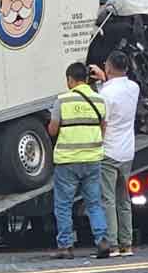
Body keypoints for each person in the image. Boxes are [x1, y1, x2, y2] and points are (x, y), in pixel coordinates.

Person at [47, 62, 110, 259]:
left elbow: (53, 130)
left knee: (63, 205)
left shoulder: (62, 101)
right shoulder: (99, 100)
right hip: (92, 159)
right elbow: (103, 129)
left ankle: (65, 246)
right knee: (94, 203)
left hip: (67, 161)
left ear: (70, 80)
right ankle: (102, 241)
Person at [90, 51, 140, 257]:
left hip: (109, 151)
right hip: (127, 151)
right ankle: (126, 244)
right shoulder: (134, 88)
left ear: (109, 67)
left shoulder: (105, 95)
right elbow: (117, 92)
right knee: (124, 199)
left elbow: (104, 121)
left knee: (107, 199)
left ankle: (111, 243)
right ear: (127, 68)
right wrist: (105, 80)